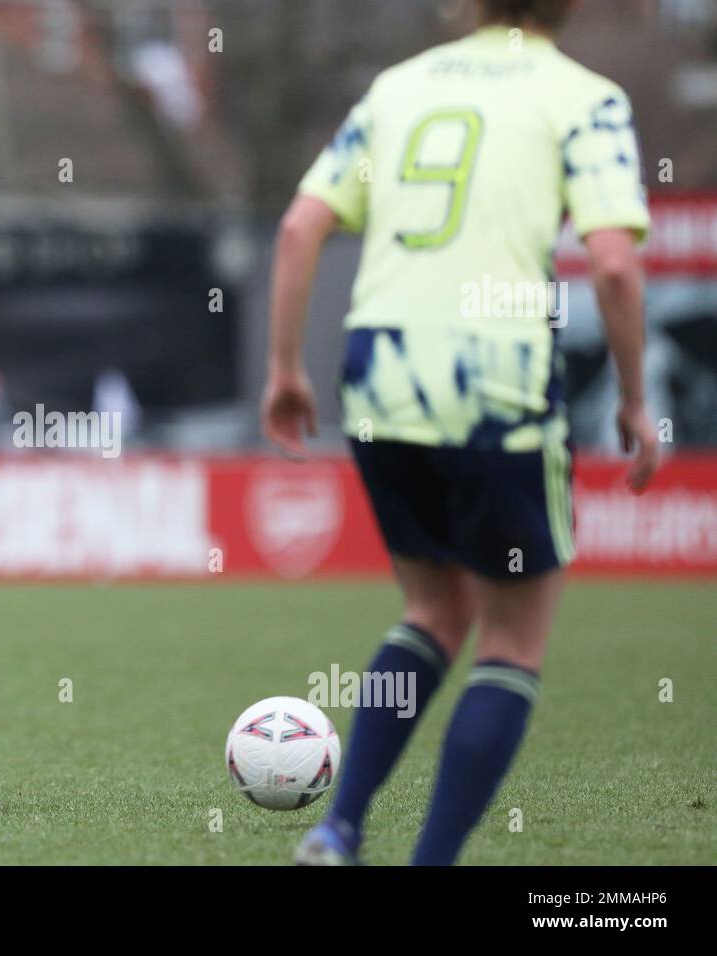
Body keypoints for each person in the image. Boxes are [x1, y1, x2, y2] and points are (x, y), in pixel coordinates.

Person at [261, 0, 657, 864]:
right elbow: (617, 265)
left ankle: (338, 829)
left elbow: (299, 226)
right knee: (511, 639)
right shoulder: (583, 95)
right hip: (497, 378)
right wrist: (632, 398)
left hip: (380, 370)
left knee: (434, 608)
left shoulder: (397, 87)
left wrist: (287, 369)